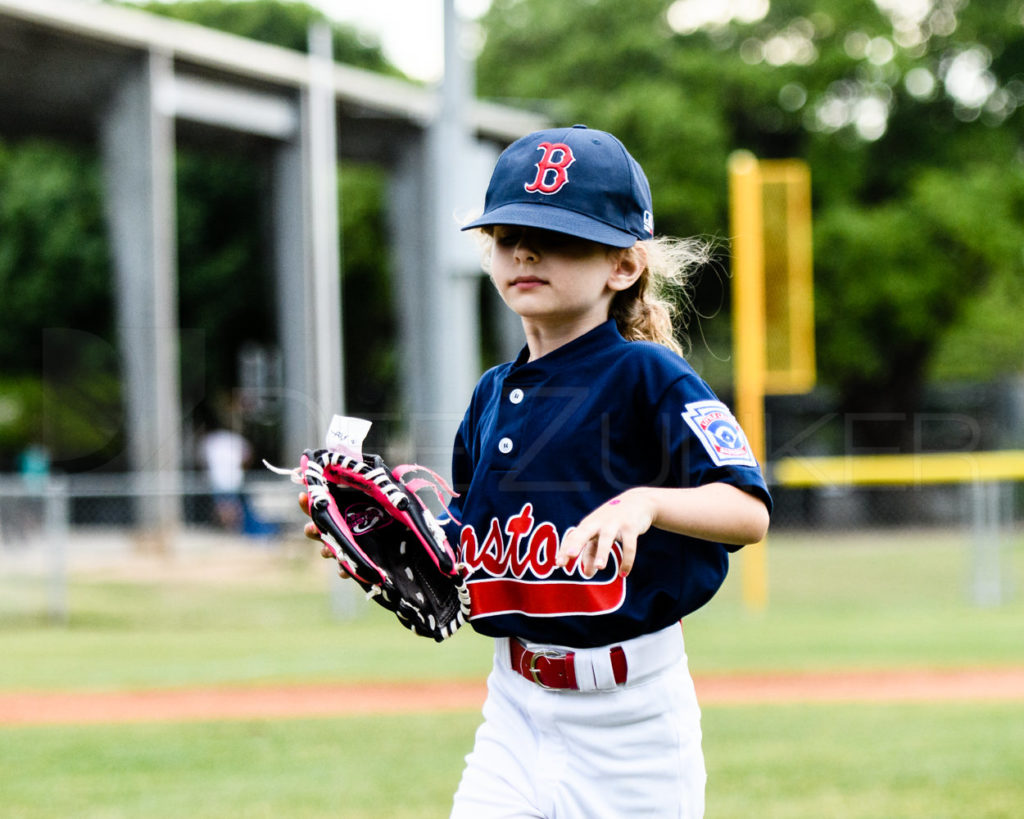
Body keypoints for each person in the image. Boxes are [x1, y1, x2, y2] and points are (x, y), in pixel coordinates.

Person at [304, 124, 771, 818]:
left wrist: (643, 502)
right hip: (515, 709)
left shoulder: (648, 375)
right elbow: (473, 531)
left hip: (632, 723)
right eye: (506, 233)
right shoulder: (492, 394)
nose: (525, 249)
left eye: (559, 236)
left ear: (623, 265)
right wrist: (408, 543)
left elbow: (748, 510)